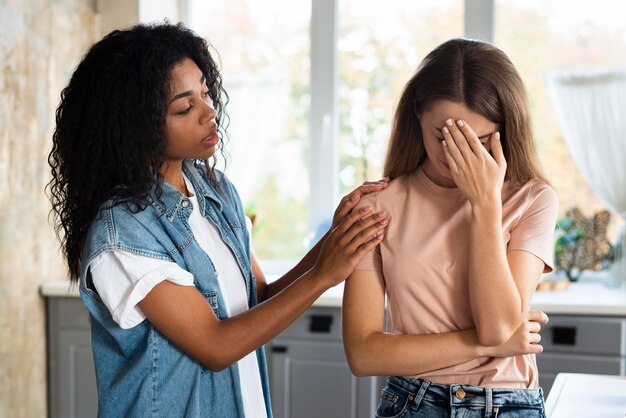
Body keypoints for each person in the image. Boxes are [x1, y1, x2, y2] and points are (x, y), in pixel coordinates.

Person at [47, 22, 390, 418]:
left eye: (206, 93)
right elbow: (215, 346)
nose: (210, 112)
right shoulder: (123, 231)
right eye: (184, 107)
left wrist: (334, 238)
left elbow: (258, 297)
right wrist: (323, 275)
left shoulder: (214, 188)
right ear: (134, 127)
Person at [342, 38, 558, 418]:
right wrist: (486, 345)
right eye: (445, 137)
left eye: (479, 141)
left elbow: (498, 327)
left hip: (508, 405)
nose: (458, 155)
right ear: (417, 115)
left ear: (506, 131)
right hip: (415, 403)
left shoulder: (533, 199)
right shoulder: (374, 206)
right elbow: (363, 354)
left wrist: (485, 204)